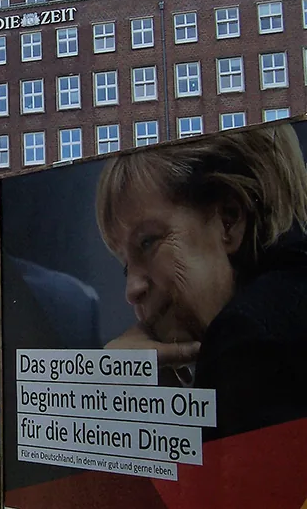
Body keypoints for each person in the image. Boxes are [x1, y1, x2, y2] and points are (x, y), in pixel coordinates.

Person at [95, 123, 307, 440]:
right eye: (126, 266)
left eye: (148, 242)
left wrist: (127, 409)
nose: (132, 290)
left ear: (228, 219)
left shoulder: (246, 341)